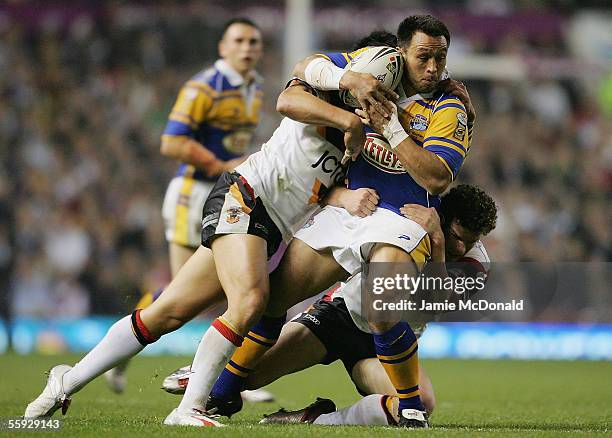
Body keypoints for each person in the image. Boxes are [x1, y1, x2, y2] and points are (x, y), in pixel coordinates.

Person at [23, 41, 395, 424]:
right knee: (252, 301)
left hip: (273, 225)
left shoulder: (371, 135)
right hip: (247, 197)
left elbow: (313, 181)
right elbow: (286, 101)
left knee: (166, 313)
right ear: (361, 77)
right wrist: (348, 117)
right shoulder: (322, 89)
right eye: (376, 89)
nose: (378, 100)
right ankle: (189, 407)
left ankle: (66, 381)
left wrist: (344, 196)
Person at [201, 15, 471, 428]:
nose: (433, 68)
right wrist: (347, 82)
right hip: (348, 212)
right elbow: (301, 70)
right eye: (423, 57)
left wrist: (391, 129)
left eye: (440, 57)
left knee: (382, 307)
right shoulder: (375, 66)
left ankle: (412, 405)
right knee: (272, 299)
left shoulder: (449, 106)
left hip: (401, 218)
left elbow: (436, 175)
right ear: (401, 53)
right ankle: (219, 395)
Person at [163, 185, 497, 423]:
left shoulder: (476, 262)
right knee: (245, 376)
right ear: (442, 215)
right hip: (338, 317)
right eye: (457, 236)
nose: (463, 245)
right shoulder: (407, 218)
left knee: (420, 403)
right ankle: (199, 375)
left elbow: (434, 303)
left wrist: (438, 242)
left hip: (386, 347)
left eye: (471, 240)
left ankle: (318, 419)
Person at [104, 16, 266, 396]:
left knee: (234, 287)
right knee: (186, 296)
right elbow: (171, 142)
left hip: (226, 194)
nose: (247, 48)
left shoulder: (255, 87)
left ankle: (220, 374)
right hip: (192, 194)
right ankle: (125, 352)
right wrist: (221, 165)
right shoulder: (204, 86)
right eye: (239, 41)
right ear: (223, 47)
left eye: (253, 42)